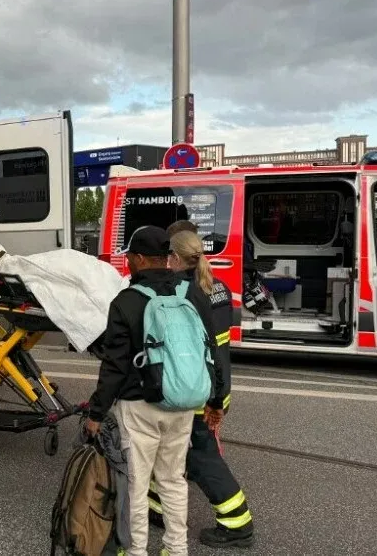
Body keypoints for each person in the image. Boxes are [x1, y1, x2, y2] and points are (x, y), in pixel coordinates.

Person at [86, 225, 224, 556]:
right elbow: (212, 351)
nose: (128, 264)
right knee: (173, 480)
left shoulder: (127, 300)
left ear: (140, 259)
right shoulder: (192, 293)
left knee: (137, 481)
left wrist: (96, 412)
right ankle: (176, 549)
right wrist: (215, 400)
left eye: (130, 258)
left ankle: (136, 551)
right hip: (182, 403)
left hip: (139, 405)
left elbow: (115, 366)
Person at [144, 222, 255, 549]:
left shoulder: (177, 291)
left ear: (174, 258)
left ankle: (238, 525)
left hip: (191, 391)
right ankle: (157, 507)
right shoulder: (217, 286)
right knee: (167, 450)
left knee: (200, 458)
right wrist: (218, 399)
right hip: (215, 386)